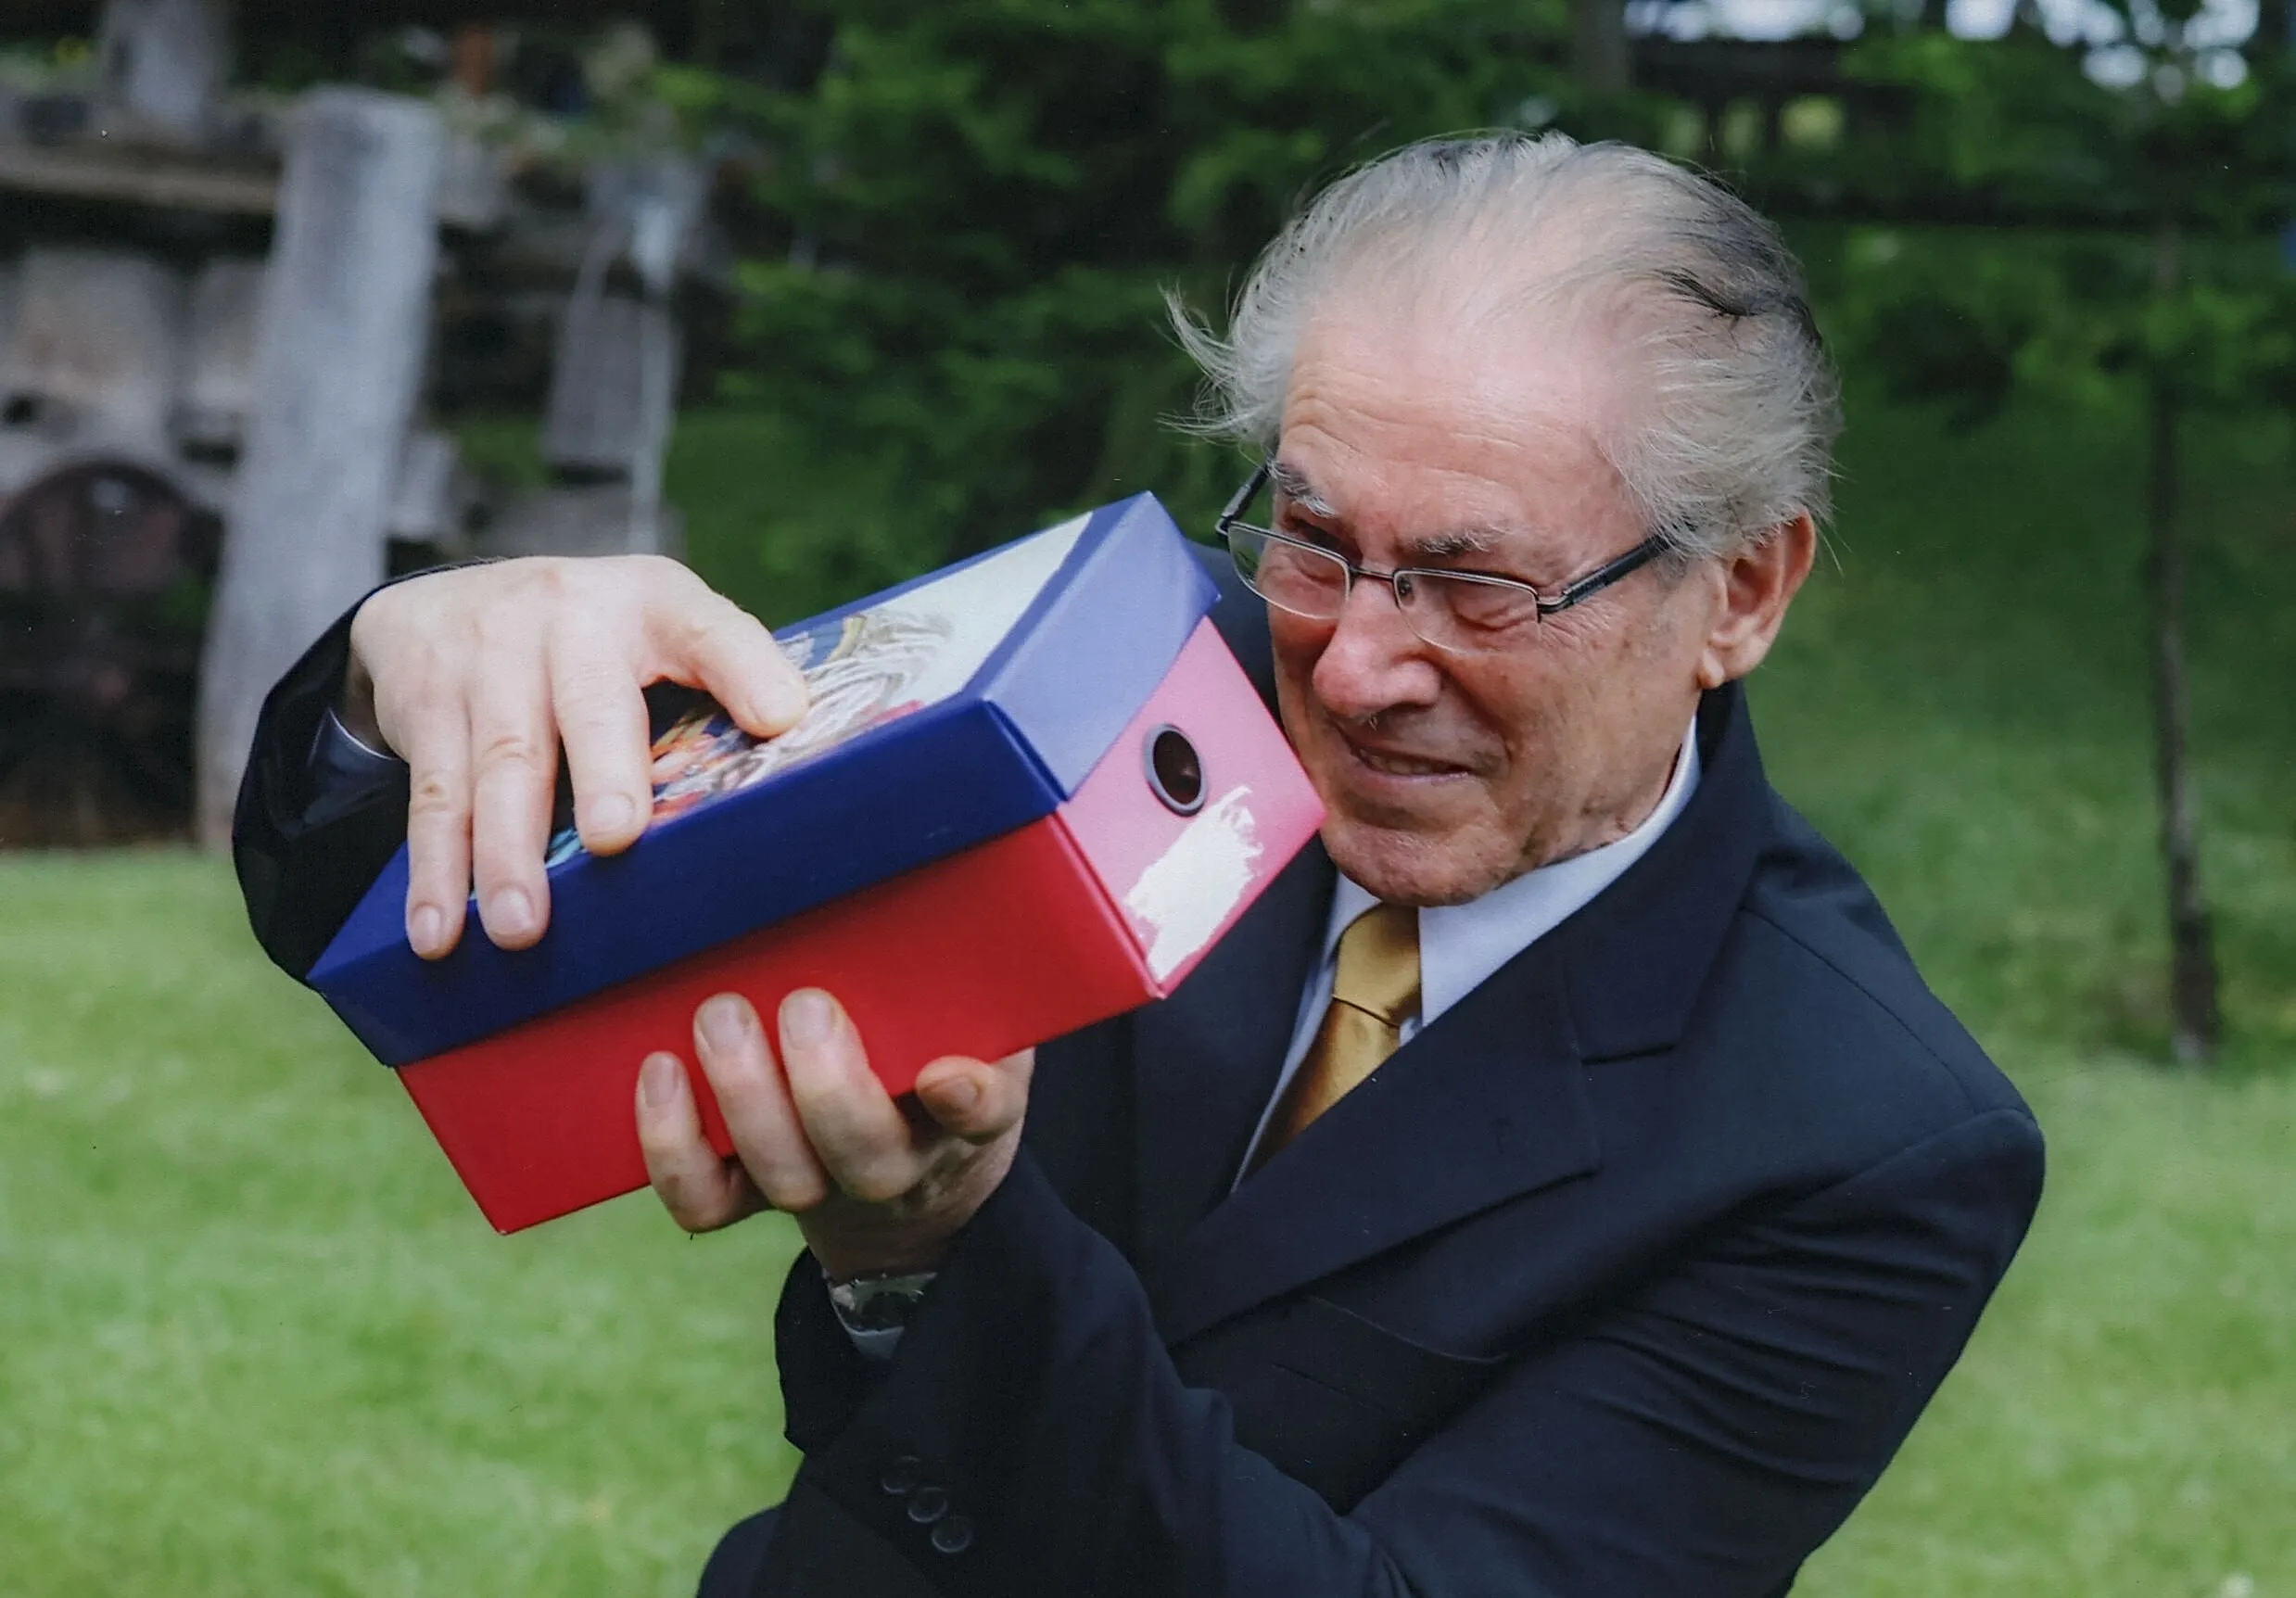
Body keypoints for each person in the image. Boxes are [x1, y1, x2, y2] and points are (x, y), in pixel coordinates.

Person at [234, 134, 2044, 1597]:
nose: (1347, 668)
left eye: (1477, 585)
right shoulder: (1124, 669)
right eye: (1315, 542)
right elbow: (426, 939)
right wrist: (414, 688)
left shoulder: (1857, 1137)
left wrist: (933, 1259)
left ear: (1739, 590)